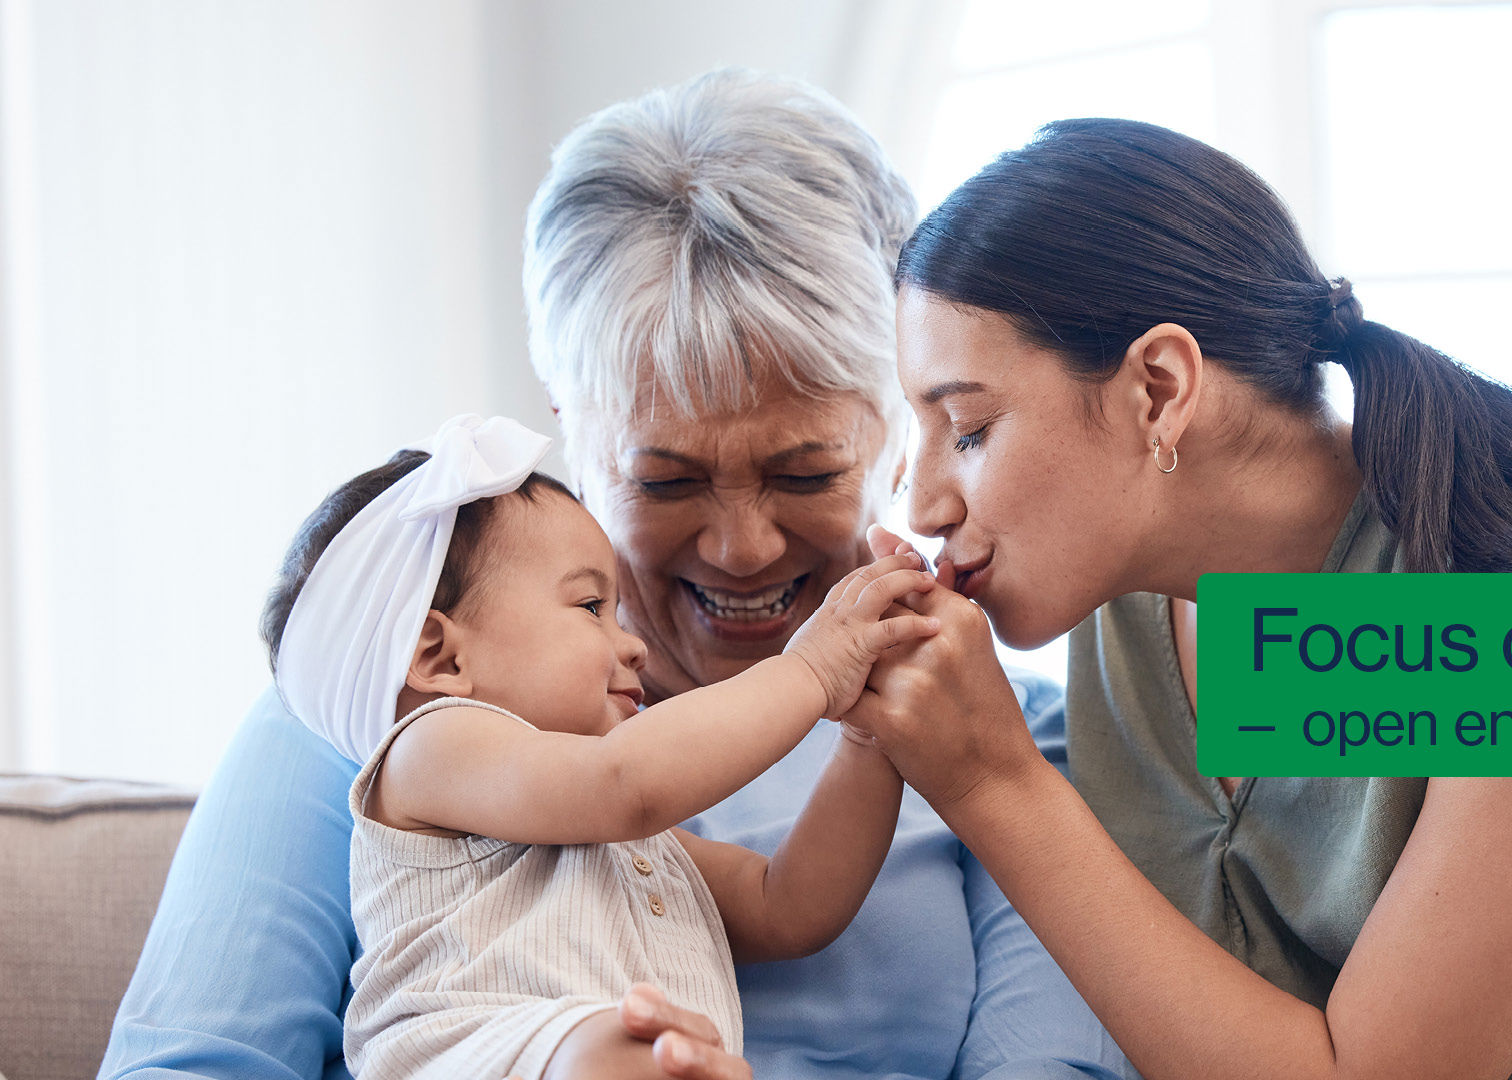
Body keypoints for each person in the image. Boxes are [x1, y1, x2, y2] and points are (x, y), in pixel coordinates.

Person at [100, 73, 1131, 1080]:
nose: (742, 547)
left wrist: (871, 730)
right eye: (666, 477)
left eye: (804, 470)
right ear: (573, 430)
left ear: (901, 426)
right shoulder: (368, 702)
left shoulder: (1008, 738)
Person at [847, 118, 1512, 1080]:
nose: (922, 502)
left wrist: (992, 783)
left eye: (967, 429)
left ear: (1159, 389)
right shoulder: (1121, 607)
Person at [263, 414, 938, 1079]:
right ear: (440, 658)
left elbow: (787, 907)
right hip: (477, 1051)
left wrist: (869, 737)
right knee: (612, 1052)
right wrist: (814, 671)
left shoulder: (629, 841)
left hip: (636, 1056)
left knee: (644, 1053)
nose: (633, 644)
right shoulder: (428, 750)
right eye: (591, 607)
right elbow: (627, 784)